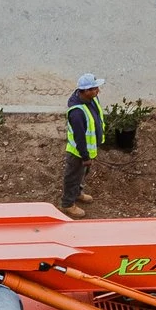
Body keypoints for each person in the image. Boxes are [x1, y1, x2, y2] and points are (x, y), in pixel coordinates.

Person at [60, 72, 106, 219]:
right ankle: (68, 204)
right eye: (93, 89)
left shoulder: (92, 99)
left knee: (82, 175)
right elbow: (79, 137)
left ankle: (78, 193)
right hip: (78, 153)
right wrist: (85, 156)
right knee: (73, 176)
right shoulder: (77, 112)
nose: (97, 90)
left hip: (88, 150)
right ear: (85, 91)